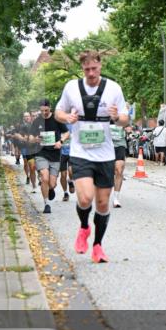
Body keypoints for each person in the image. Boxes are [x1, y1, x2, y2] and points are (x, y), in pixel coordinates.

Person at [55, 50, 130, 263]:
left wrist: (117, 117)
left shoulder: (113, 88)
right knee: (85, 198)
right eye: (87, 69)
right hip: (81, 152)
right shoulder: (71, 87)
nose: (90, 73)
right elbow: (58, 112)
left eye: (94, 68)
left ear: (100, 66)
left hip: (105, 154)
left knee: (103, 204)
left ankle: (97, 246)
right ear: (82, 68)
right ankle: (84, 227)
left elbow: (125, 119)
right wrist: (67, 117)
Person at [32, 99, 67, 214]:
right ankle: (46, 204)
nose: (44, 113)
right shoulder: (37, 121)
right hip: (41, 153)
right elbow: (30, 137)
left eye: (46, 110)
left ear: (50, 107)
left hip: (55, 154)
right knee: (44, 177)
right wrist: (35, 139)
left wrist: (60, 141)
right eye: (42, 111)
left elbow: (67, 133)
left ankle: (50, 188)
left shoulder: (56, 119)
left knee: (52, 183)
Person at [110, 115, 128, 208]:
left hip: (120, 145)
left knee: (119, 170)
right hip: (107, 146)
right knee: (109, 172)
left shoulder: (122, 114)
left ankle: (116, 198)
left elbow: (128, 124)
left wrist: (128, 128)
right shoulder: (103, 113)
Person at [59, 132, 72, 201]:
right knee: (63, 175)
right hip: (61, 154)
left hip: (72, 152)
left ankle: (70, 180)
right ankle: (65, 193)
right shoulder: (59, 127)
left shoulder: (73, 126)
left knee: (71, 170)